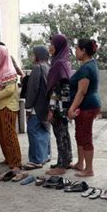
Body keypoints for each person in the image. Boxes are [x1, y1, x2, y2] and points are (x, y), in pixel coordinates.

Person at [67, 39, 101, 177]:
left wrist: (71, 109)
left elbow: (82, 92)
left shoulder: (86, 68)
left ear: (84, 51)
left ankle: (89, 169)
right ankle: (80, 163)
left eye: (77, 49)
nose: (75, 51)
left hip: (87, 106)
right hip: (86, 105)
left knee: (85, 136)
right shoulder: (90, 64)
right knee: (79, 134)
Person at [46, 34, 73, 175]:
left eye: (52, 44)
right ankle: (66, 160)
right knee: (64, 133)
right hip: (63, 105)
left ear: (59, 46)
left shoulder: (59, 64)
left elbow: (59, 89)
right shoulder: (63, 61)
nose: (50, 46)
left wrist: (52, 108)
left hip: (59, 106)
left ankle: (61, 166)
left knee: (60, 134)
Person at [24, 46, 51, 170]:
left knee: (33, 130)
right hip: (46, 106)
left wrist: (28, 107)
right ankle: (45, 156)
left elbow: (32, 90)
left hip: (37, 106)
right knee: (44, 130)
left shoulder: (37, 68)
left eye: (33, 54)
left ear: (38, 55)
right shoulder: (48, 67)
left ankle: (36, 160)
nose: (31, 56)